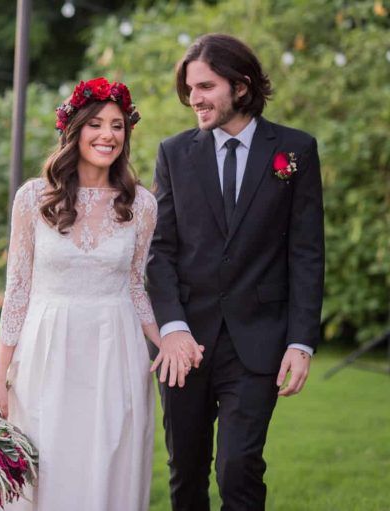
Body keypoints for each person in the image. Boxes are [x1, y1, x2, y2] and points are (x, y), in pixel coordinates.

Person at [0, 77, 187, 510]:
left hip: (116, 353)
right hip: (47, 351)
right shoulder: (33, 198)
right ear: (74, 130)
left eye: (117, 125)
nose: (107, 135)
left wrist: (166, 338)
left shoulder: (141, 205)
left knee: (107, 464)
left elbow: (135, 286)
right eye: (96, 124)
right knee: (50, 461)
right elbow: (17, 290)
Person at [147, 33, 325, 510]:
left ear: (241, 86)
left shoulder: (295, 150)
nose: (194, 99)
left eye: (205, 87)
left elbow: (307, 253)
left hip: (258, 339)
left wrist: (301, 342)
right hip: (185, 343)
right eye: (190, 89)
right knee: (186, 472)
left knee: (238, 467)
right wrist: (172, 328)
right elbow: (159, 251)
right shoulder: (173, 153)